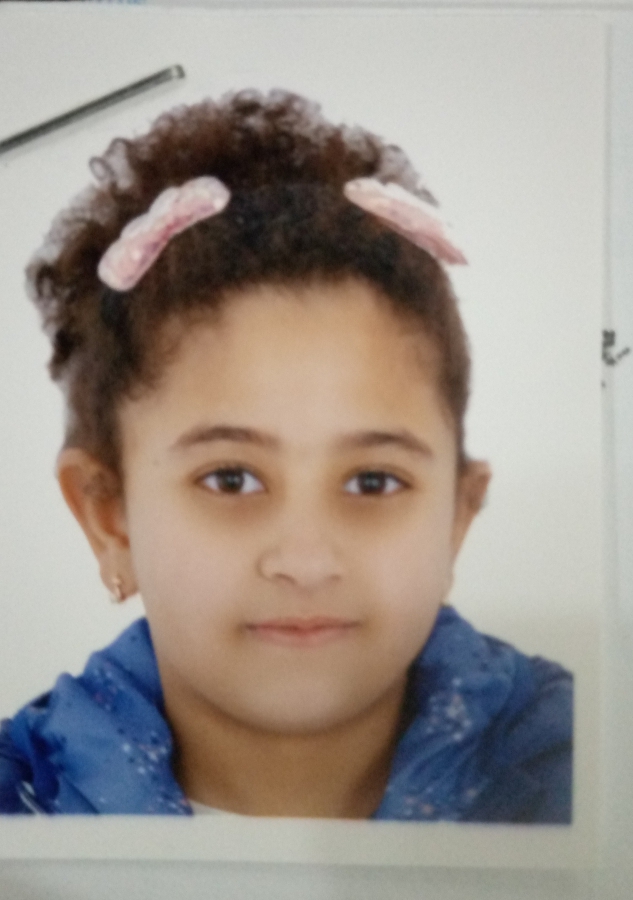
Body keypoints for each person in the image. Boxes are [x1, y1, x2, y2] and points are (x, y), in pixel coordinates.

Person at [0, 89, 572, 821]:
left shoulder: (591, 778)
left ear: (456, 516)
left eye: (372, 481)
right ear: (109, 518)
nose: (305, 561)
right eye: (230, 478)